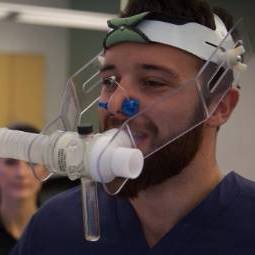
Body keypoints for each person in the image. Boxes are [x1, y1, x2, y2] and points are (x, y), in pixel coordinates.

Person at [11, 0, 255, 254]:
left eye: (151, 82)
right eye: (109, 81)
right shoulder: (55, 227)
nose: (116, 103)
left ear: (220, 107)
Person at [0, 123, 42, 255]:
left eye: (32, 162)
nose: (21, 173)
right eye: (10, 162)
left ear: (46, 170)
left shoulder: (61, 229)